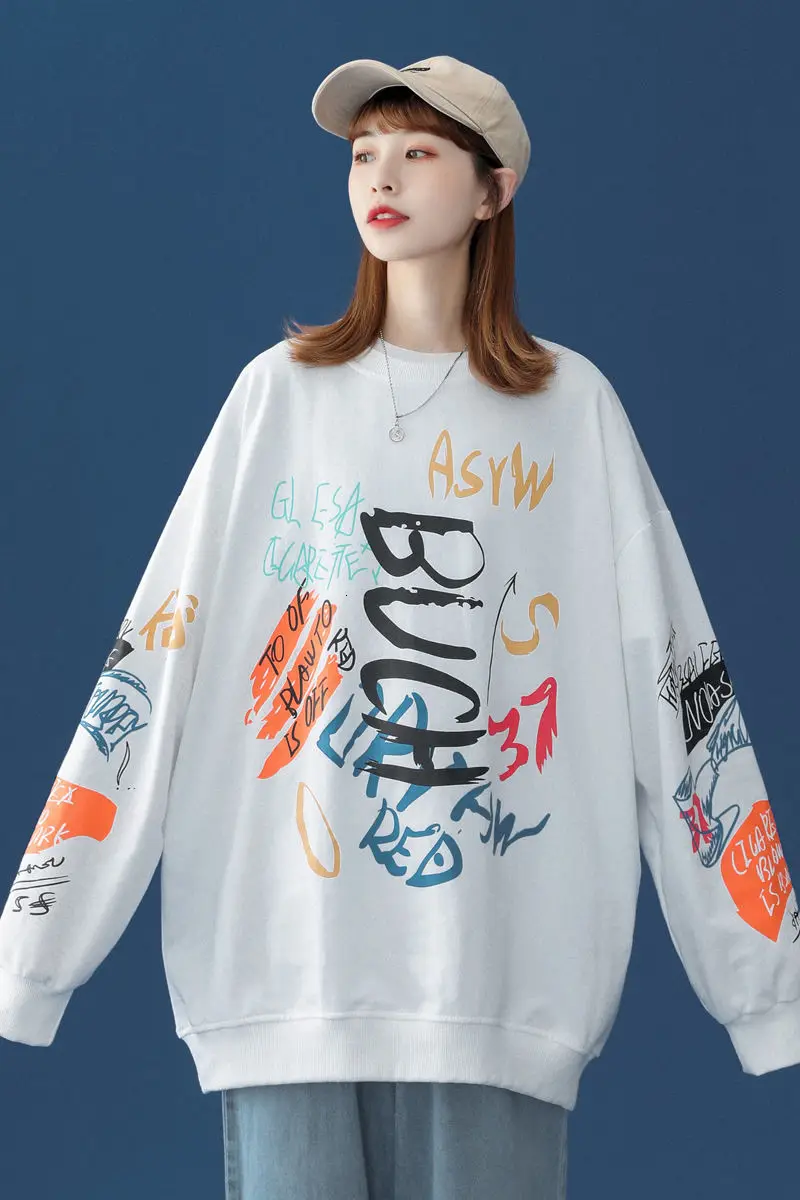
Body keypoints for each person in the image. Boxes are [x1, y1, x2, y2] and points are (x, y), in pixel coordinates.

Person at [1, 53, 798, 1200]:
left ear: (491, 191)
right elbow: (155, 659)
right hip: (284, 976)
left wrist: (764, 987)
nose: (380, 176)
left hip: (498, 989)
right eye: (363, 153)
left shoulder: (569, 410)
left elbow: (678, 685)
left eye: (418, 152)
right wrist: (34, 948)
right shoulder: (276, 397)